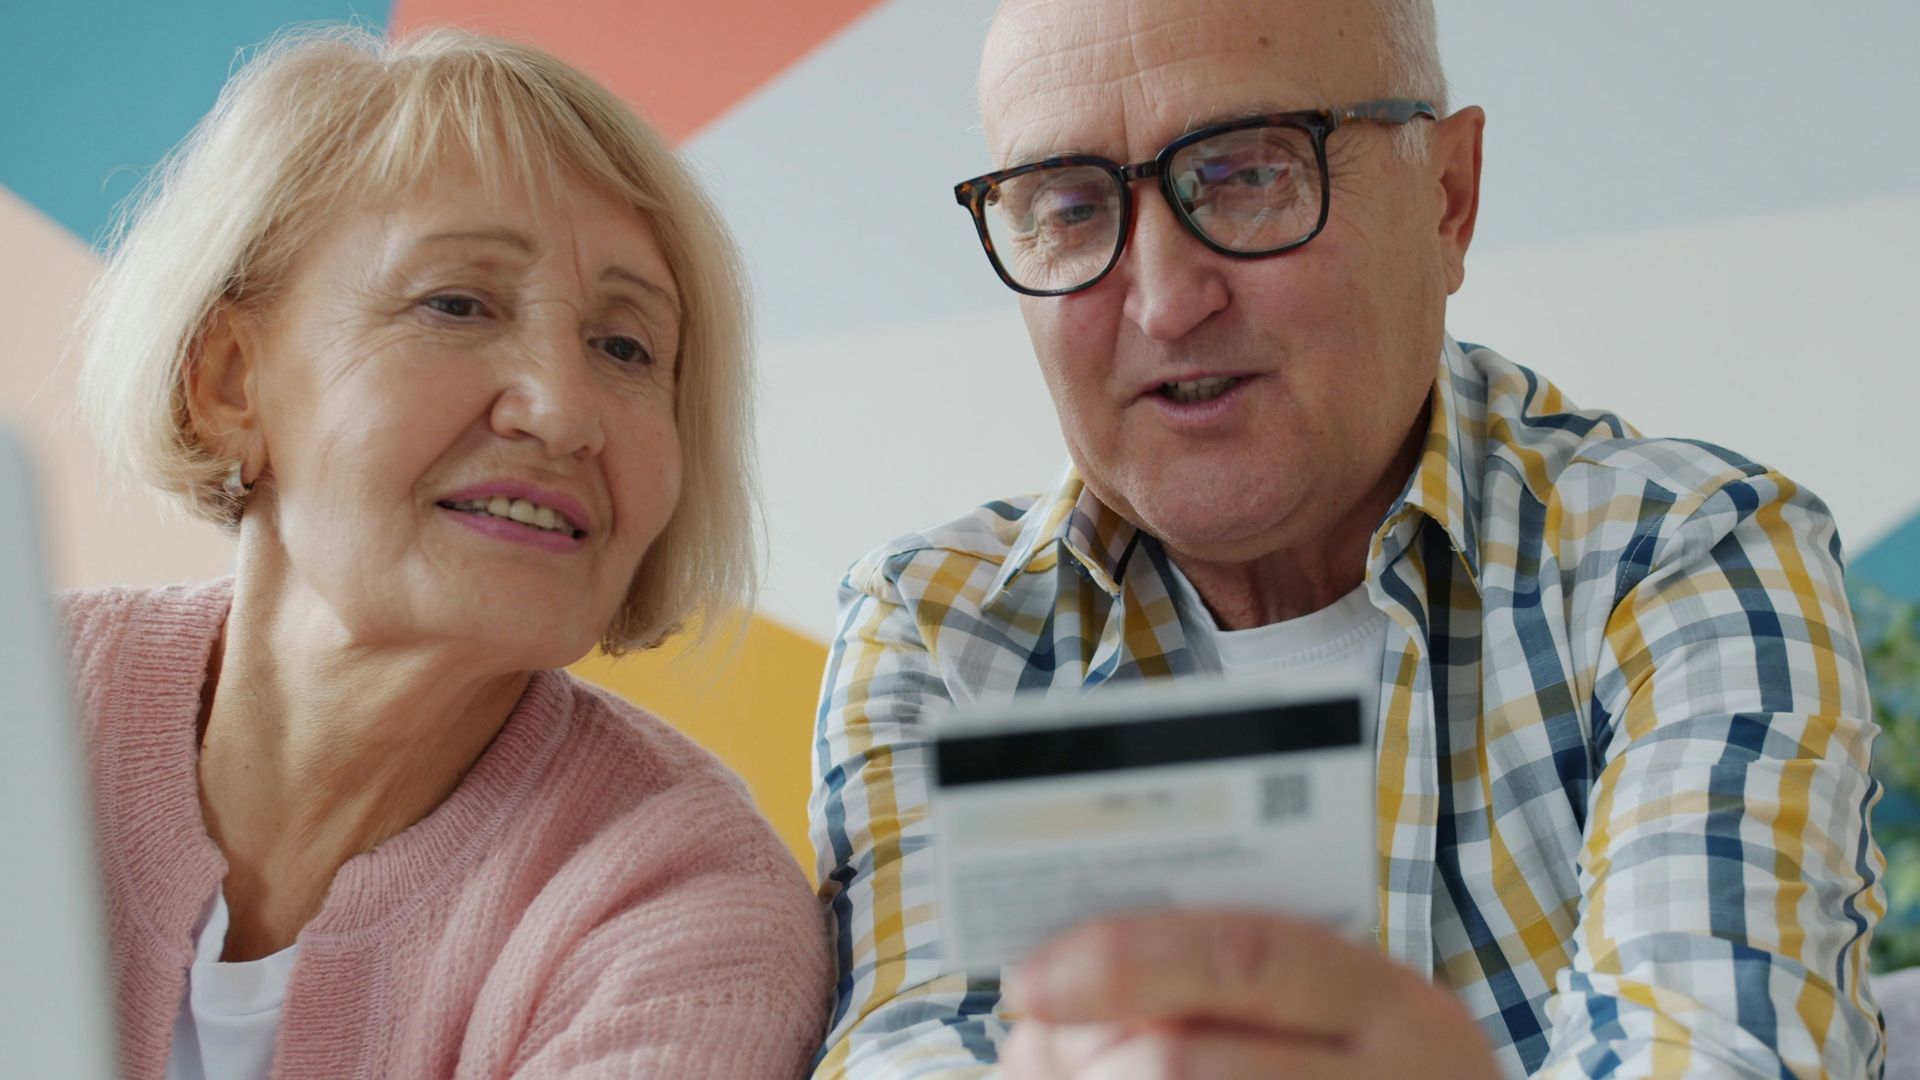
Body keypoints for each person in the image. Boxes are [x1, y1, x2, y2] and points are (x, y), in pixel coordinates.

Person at [808, 0, 1887, 1077]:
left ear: (1447, 196)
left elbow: (1714, 1054)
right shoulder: (942, 637)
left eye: (1249, 171)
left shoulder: (1678, 555)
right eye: (1072, 207)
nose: (1166, 300)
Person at [66, 26, 828, 1079]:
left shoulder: (683, 909)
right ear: (230, 382)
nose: (564, 412)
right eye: (457, 304)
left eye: (624, 346)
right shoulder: (37, 703)